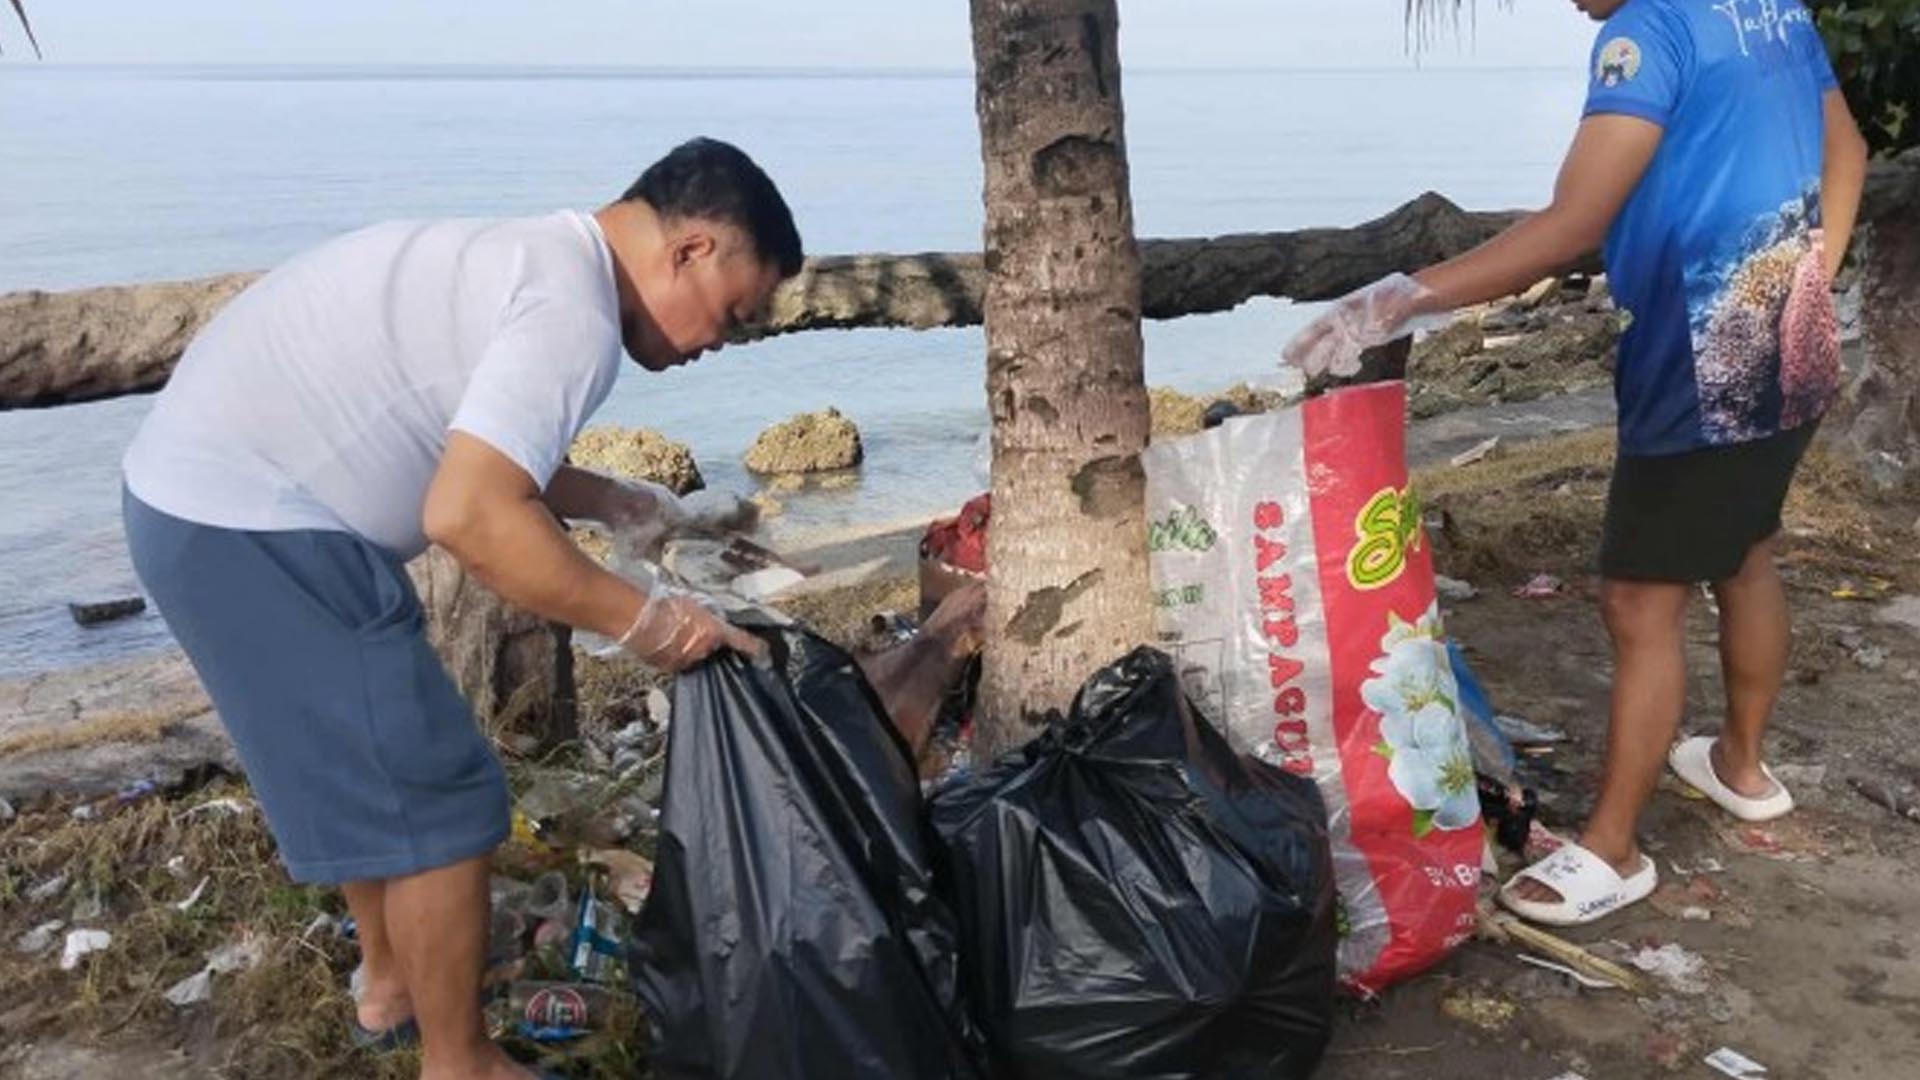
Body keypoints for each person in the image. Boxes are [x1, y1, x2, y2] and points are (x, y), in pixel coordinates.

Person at [122, 138, 801, 1080]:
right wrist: (651, 622)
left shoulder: (541, 259)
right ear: (691, 249)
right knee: (442, 796)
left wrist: (612, 500)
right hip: (255, 526)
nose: (723, 340)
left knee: (372, 771)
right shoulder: (573, 315)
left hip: (203, 505)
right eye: (734, 313)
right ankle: (461, 1063)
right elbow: (470, 515)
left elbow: (483, 440)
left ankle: (392, 987)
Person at [1283, 0, 1869, 926]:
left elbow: (1572, 223)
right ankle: (1740, 767)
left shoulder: (1646, 33)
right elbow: (1850, 152)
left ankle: (1614, 849)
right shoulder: (1768, 5)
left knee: (1639, 601)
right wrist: (1812, 280)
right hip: (1789, 337)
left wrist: (1400, 297)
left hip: (1700, 359)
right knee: (1746, 548)